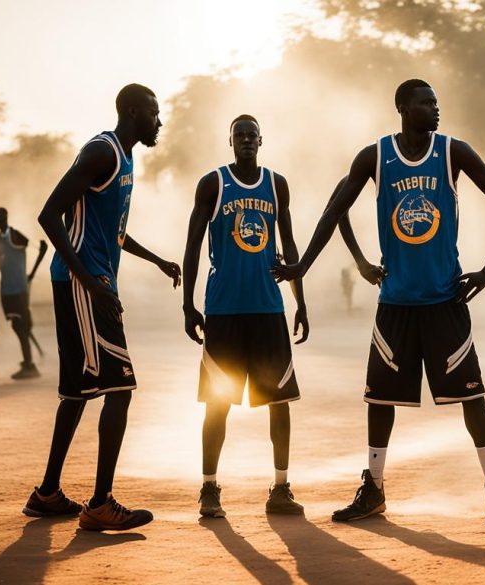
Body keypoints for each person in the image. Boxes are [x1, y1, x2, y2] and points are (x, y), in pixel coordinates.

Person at [273, 79, 485, 524]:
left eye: (437, 102)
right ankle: (374, 489)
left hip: (445, 301)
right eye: (427, 102)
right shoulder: (374, 157)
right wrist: (307, 266)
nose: (436, 108)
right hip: (396, 304)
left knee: (472, 396)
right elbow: (334, 210)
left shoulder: (453, 151)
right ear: (403, 108)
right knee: (380, 400)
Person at [24, 84, 180, 531]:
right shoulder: (102, 152)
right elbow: (48, 214)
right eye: (153, 113)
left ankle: (48, 494)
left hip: (88, 285)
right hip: (83, 287)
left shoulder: (124, 159)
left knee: (76, 394)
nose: (159, 122)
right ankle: (100, 503)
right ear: (132, 113)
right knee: (120, 388)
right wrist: (91, 283)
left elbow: (111, 232)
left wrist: (156, 260)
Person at [182, 114, 309, 518]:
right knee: (217, 405)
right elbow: (191, 247)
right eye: (240, 135)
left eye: (253, 135)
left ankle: (281, 487)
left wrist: (299, 300)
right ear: (230, 142)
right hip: (224, 311)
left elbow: (289, 246)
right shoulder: (214, 184)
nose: (247, 140)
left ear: (261, 140)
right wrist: (188, 305)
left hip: (269, 309)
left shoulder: (277, 184)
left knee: (279, 401)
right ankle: (208, 489)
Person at [0, 207, 48, 379]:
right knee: (18, 325)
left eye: (1, 217)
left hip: (18, 289)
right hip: (7, 289)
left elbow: (42, 247)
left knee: (20, 326)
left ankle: (29, 365)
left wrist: (32, 273)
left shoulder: (14, 234)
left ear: (6, 218)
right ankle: (28, 363)